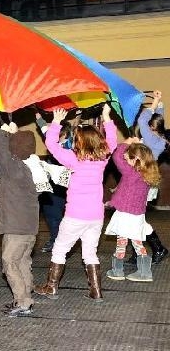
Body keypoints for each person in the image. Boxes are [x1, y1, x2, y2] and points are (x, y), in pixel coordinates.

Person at [34, 104, 117, 302]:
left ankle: (51, 287)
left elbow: (52, 146)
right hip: (96, 216)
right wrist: (107, 118)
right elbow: (112, 142)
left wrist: (54, 122)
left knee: (60, 249)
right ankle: (96, 291)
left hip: (74, 215)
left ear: (79, 142)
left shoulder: (73, 159)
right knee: (90, 253)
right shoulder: (102, 159)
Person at [0, 122, 43, 317]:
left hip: (16, 229)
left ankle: (23, 302)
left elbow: (1, 154)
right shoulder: (30, 167)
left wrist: (2, 133)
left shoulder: (13, 167)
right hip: (29, 229)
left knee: (9, 263)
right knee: (23, 262)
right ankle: (26, 295)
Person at [104, 139, 160, 282]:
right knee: (137, 242)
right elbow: (128, 193)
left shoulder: (131, 173)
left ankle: (117, 271)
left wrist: (127, 142)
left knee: (121, 241)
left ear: (136, 159)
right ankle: (144, 272)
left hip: (125, 214)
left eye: (128, 156)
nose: (124, 157)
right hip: (138, 215)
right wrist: (114, 201)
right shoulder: (146, 175)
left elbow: (116, 156)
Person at [132, 90, 169, 265]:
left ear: (152, 127)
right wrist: (159, 103)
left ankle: (158, 248)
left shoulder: (152, 139)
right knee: (132, 216)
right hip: (144, 179)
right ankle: (137, 251)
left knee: (135, 217)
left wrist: (153, 103)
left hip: (141, 181)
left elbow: (141, 120)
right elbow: (158, 118)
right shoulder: (159, 138)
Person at [35, 112, 74, 253]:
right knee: (52, 214)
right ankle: (55, 239)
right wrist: (38, 116)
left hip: (71, 184)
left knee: (73, 217)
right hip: (54, 185)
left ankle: (65, 241)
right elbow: (44, 128)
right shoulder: (53, 139)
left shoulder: (73, 145)